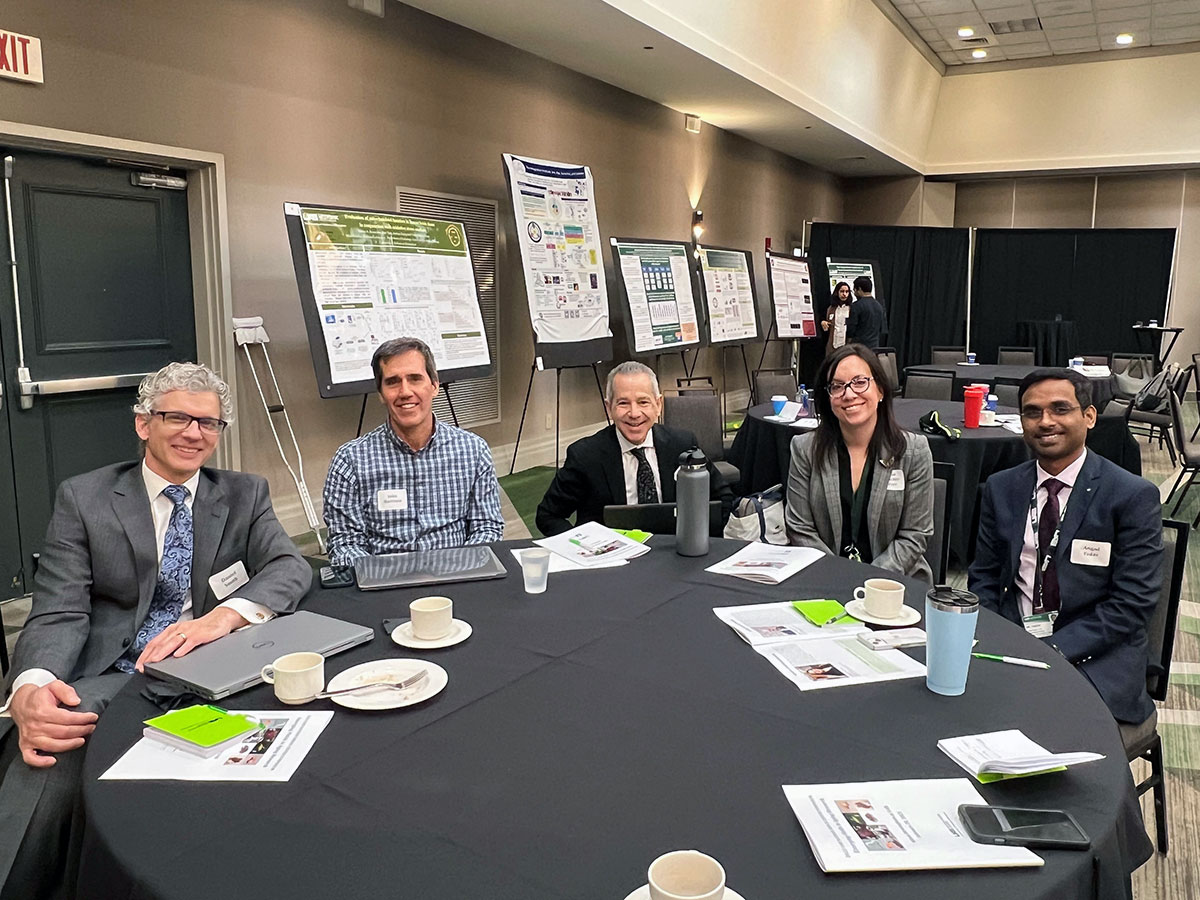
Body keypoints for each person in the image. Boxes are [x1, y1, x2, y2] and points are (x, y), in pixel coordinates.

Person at [0, 362, 311, 899]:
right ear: (144, 424)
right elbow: (59, 608)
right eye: (178, 418)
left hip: (210, 668)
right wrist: (30, 682)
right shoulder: (86, 498)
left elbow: (290, 567)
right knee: (51, 747)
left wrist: (224, 616)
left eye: (209, 423)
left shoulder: (244, 493)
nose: (194, 433)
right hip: (116, 672)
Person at [968, 368, 1163, 725]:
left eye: (1060, 409)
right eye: (1032, 412)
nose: (1046, 422)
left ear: (1089, 417)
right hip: (1011, 641)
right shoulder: (1002, 487)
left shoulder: (1131, 496)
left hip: (1095, 654)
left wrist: (1052, 649)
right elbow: (984, 576)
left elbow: (1131, 604)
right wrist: (997, 635)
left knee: (1041, 724)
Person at [323, 337, 503, 565]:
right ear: (380, 393)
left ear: (434, 385)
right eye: (393, 382)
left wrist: (458, 572)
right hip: (384, 586)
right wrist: (384, 579)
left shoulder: (473, 451)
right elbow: (345, 544)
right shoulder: (350, 462)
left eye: (415, 378)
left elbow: (487, 528)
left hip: (457, 579)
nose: (405, 391)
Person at [785, 344, 934, 581]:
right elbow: (800, 529)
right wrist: (839, 576)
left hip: (894, 583)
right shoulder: (804, 450)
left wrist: (867, 578)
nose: (849, 394)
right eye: (837, 386)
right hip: (823, 579)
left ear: (881, 390)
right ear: (828, 396)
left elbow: (914, 534)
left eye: (860, 382)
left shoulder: (913, 452)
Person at [535, 361, 732, 536]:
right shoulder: (585, 455)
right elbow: (548, 516)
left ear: (658, 404)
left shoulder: (682, 445)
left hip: (674, 554)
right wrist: (582, 547)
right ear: (608, 407)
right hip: (611, 565)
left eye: (643, 402)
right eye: (623, 403)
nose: (634, 413)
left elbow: (723, 499)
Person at [845, 275, 886, 349]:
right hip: (874, 347)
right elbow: (881, 328)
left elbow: (851, 330)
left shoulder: (856, 306)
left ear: (859, 289)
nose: (854, 293)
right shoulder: (879, 306)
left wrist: (847, 344)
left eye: (854, 290)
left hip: (859, 348)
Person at [822, 281, 853, 355]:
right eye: (842, 291)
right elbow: (827, 325)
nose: (844, 294)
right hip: (832, 345)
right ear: (837, 292)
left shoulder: (852, 308)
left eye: (847, 292)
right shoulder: (831, 308)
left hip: (847, 345)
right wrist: (824, 323)